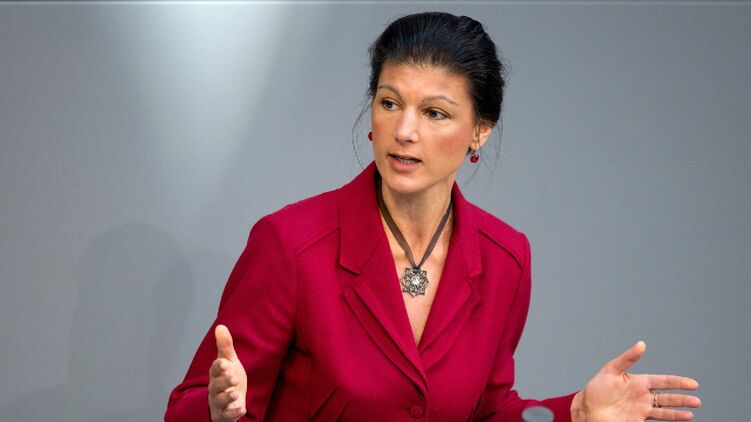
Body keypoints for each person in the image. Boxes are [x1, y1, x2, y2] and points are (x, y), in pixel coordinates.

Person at [166, 12, 701, 421]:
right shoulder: (291, 243)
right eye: (390, 103)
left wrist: (575, 413)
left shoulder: (506, 257)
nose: (404, 131)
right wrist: (215, 412)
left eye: (435, 113)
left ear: (479, 130)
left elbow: (488, 412)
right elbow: (190, 403)